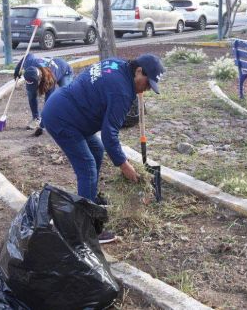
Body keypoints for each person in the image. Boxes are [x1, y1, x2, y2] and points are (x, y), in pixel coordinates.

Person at [41, 54, 165, 243]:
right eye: (147, 84)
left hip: (68, 109)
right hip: (63, 118)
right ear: (139, 71)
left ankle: (90, 198)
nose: (146, 90)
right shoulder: (121, 92)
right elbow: (109, 134)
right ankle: (87, 229)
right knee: (87, 166)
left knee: (96, 150)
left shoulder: (117, 63)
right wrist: (124, 165)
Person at [13, 54, 74, 131]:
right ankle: (36, 118)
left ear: (39, 79)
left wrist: (43, 123)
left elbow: (48, 102)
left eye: (35, 84)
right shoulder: (28, 64)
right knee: (31, 94)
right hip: (47, 68)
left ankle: (68, 121)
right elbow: (28, 55)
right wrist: (17, 70)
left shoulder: (50, 79)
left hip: (65, 71)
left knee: (65, 96)